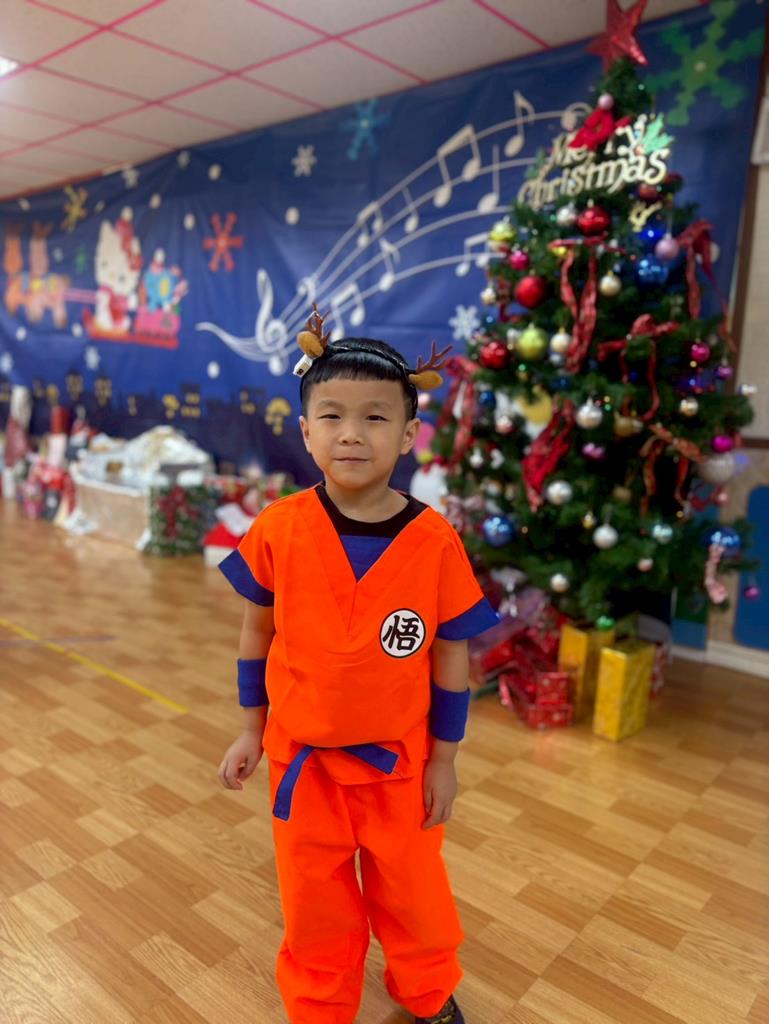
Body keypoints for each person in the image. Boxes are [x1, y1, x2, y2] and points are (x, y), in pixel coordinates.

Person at [218, 308, 499, 1024]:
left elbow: (451, 654)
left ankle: (427, 994)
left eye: (375, 417)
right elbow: (256, 633)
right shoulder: (279, 528)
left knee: (413, 894)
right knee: (314, 903)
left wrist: (445, 760)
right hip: (303, 763)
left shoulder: (434, 541)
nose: (351, 433)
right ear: (305, 430)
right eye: (332, 416)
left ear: (408, 434)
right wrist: (250, 729)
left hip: (398, 767)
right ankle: (319, 1006)